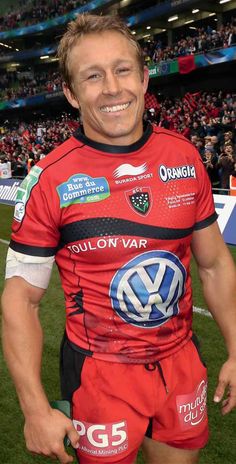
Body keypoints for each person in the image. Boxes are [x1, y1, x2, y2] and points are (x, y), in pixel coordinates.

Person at [1, 13, 236, 464]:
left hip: (180, 360)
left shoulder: (184, 156)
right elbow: (20, 300)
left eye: (122, 69)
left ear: (145, 78)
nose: (112, 87)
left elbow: (213, 262)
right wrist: (33, 407)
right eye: (92, 76)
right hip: (99, 373)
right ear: (71, 93)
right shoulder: (48, 179)